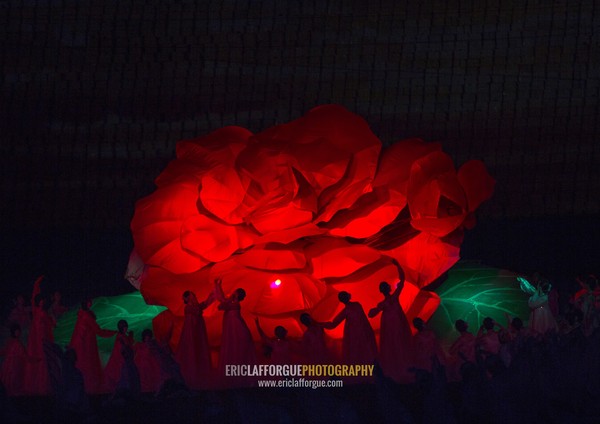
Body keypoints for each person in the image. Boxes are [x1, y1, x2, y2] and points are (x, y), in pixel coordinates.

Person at [368, 263, 413, 383]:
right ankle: (399, 367)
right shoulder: (389, 300)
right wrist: (398, 265)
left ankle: (401, 367)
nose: (387, 288)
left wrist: (398, 265)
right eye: (386, 287)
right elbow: (372, 314)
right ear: (386, 289)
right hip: (392, 325)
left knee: (396, 343)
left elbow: (372, 313)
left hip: (395, 324)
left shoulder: (390, 299)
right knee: (396, 343)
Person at [214, 277, 257, 387]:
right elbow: (222, 301)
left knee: (237, 348)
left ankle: (239, 376)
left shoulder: (234, 304)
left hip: (236, 329)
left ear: (237, 295)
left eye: (235, 292)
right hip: (233, 330)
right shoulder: (232, 303)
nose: (233, 293)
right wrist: (218, 286)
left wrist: (218, 286)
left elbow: (221, 304)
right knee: (233, 349)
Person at [69, 298, 117, 394]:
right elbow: (99, 331)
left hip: (80, 343)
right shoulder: (86, 316)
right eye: (89, 301)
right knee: (88, 364)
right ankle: (89, 387)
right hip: (86, 345)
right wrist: (113, 332)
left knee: (82, 364)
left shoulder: (81, 314)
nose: (91, 303)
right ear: (87, 303)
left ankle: (81, 388)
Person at [322, 291, 377, 367]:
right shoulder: (353, 307)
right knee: (364, 354)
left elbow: (333, 324)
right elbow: (333, 324)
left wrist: (320, 324)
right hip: (359, 334)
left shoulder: (351, 308)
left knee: (363, 354)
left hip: (359, 334)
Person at [175, 290, 214, 390]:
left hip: (196, 331)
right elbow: (198, 310)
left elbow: (203, 305)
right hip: (191, 332)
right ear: (187, 298)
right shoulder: (188, 307)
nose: (193, 297)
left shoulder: (193, 307)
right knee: (191, 348)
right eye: (191, 296)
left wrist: (212, 296)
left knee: (197, 348)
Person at [24, 275, 56, 395]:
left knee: (44, 357)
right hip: (36, 337)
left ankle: (43, 383)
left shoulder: (43, 312)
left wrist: (52, 323)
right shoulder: (35, 309)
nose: (42, 302)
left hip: (43, 335)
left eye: (43, 300)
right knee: (38, 355)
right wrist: (37, 284)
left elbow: (48, 322)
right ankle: (37, 384)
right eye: (41, 300)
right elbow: (34, 296)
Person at [0, 324, 34, 396]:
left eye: (19, 331)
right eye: (16, 331)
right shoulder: (12, 342)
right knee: (10, 379)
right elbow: (5, 351)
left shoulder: (18, 343)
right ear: (13, 332)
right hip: (11, 365)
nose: (18, 332)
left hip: (16, 365)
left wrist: (31, 359)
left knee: (14, 380)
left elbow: (24, 354)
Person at [104, 319, 136, 392]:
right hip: (120, 359)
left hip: (122, 359)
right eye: (124, 327)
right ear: (121, 328)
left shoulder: (122, 336)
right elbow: (127, 345)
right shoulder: (121, 337)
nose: (126, 328)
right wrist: (131, 336)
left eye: (126, 327)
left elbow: (128, 344)